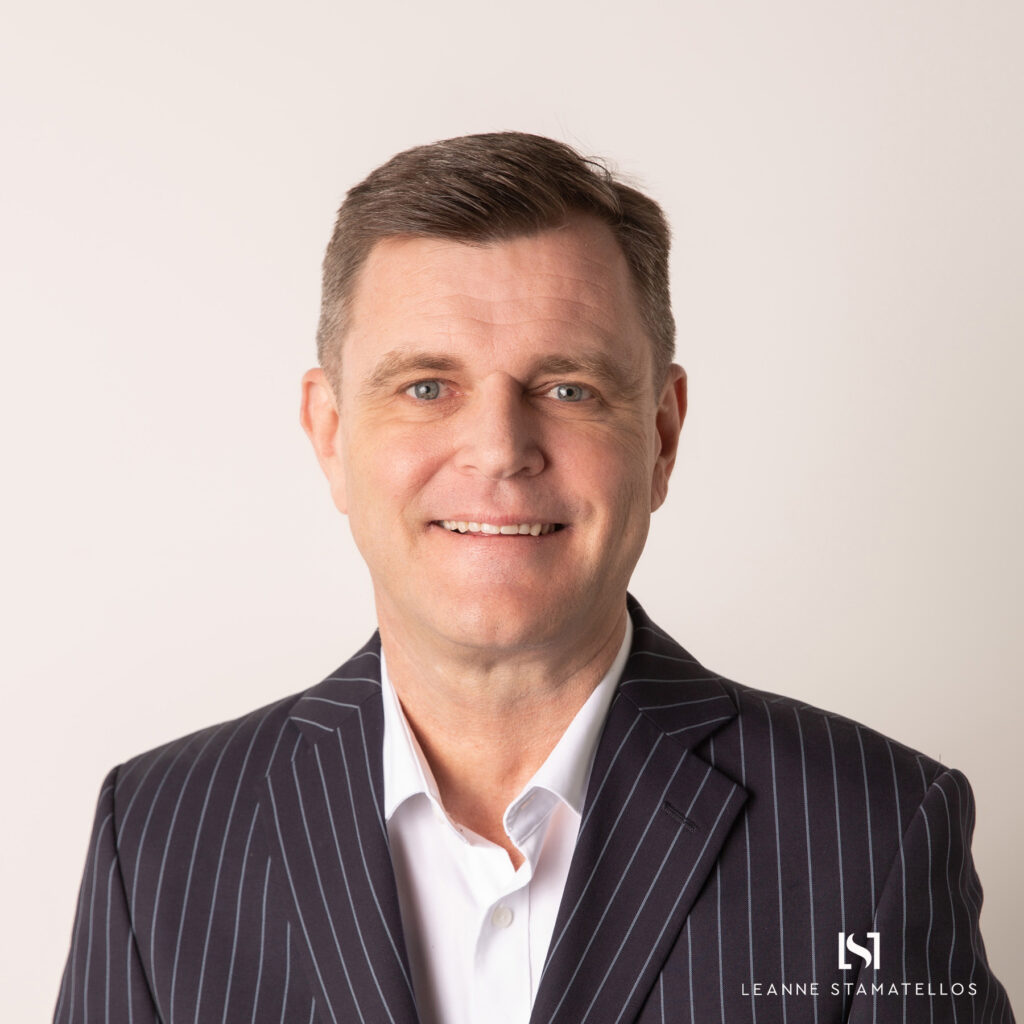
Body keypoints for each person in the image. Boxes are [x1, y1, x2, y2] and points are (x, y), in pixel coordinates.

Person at [54, 132, 1013, 1024]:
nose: (501, 451)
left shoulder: (874, 829)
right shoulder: (158, 838)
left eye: (567, 389)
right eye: (427, 386)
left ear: (662, 436)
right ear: (332, 433)